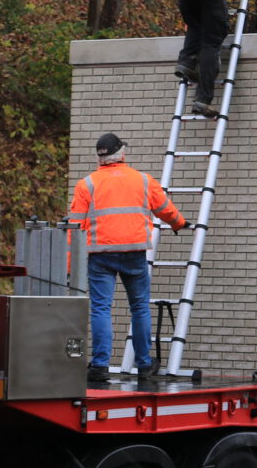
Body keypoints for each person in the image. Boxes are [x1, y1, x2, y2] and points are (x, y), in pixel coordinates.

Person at [68, 132, 187, 383]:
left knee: (101, 308)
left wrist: (70, 266)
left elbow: (74, 227)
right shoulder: (143, 180)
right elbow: (165, 209)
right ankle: (144, 364)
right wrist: (179, 223)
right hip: (134, 253)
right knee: (140, 307)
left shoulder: (86, 184)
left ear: (100, 158)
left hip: (101, 255)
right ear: (121, 153)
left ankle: (100, 365)